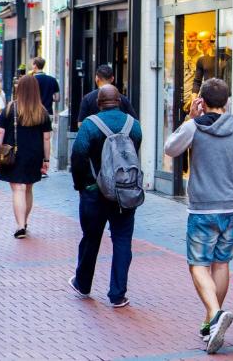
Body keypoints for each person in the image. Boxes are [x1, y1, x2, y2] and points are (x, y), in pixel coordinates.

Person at [165, 78, 233, 355]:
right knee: (221, 264)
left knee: (197, 265)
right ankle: (210, 322)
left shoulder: (194, 126)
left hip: (203, 208)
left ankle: (215, 315)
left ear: (201, 101)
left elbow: (170, 149)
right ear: (227, 101)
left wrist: (188, 119)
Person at [68, 85, 142, 308]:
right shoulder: (133, 125)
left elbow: (78, 155)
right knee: (122, 240)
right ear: (119, 101)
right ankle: (117, 294)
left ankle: (83, 283)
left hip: (95, 193)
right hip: (124, 193)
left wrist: (83, 186)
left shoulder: (90, 125)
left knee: (91, 238)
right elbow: (134, 153)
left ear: (99, 103)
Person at [0, 74, 52, 238]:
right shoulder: (42, 111)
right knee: (28, 188)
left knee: (18, 189)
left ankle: (20, 226)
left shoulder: (10, 108)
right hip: (34, 154)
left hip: (14, 153)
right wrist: (46, 159)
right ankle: (24, 221)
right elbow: (46, 138)